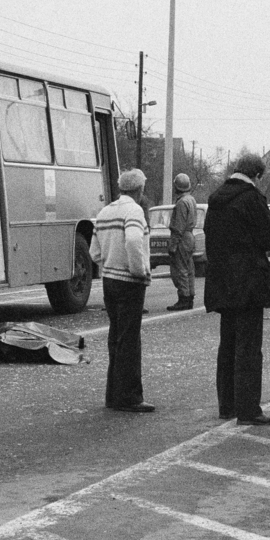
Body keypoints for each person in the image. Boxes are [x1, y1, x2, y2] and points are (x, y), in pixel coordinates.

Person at [204, 153, 270, 425]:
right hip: (248, 281)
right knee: (249, 348)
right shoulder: (252, 199)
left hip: (222, 281)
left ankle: (227, 405)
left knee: (228, 345)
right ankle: (249, 409)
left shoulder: (216, 199)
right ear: (257, 175)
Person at [90, 168, 154, 413]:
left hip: (109, 279)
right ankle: (130, 396)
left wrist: (108, 262)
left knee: (115, 336)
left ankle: (113, 394)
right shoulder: (134, 211)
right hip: (129, 281)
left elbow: (94, 252)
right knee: (130, 339)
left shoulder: (105, 212)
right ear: (139, 189)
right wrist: (139, 270)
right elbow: (134, 240)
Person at [166, 173, 198, 311]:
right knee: (189, 268)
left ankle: (183, 298)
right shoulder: (191, 199)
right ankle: (189, 296)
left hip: (182, 238)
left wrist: (173, 245)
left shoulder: (181, 203)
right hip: (190, 235)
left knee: (181, 269)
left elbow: (178, 227)